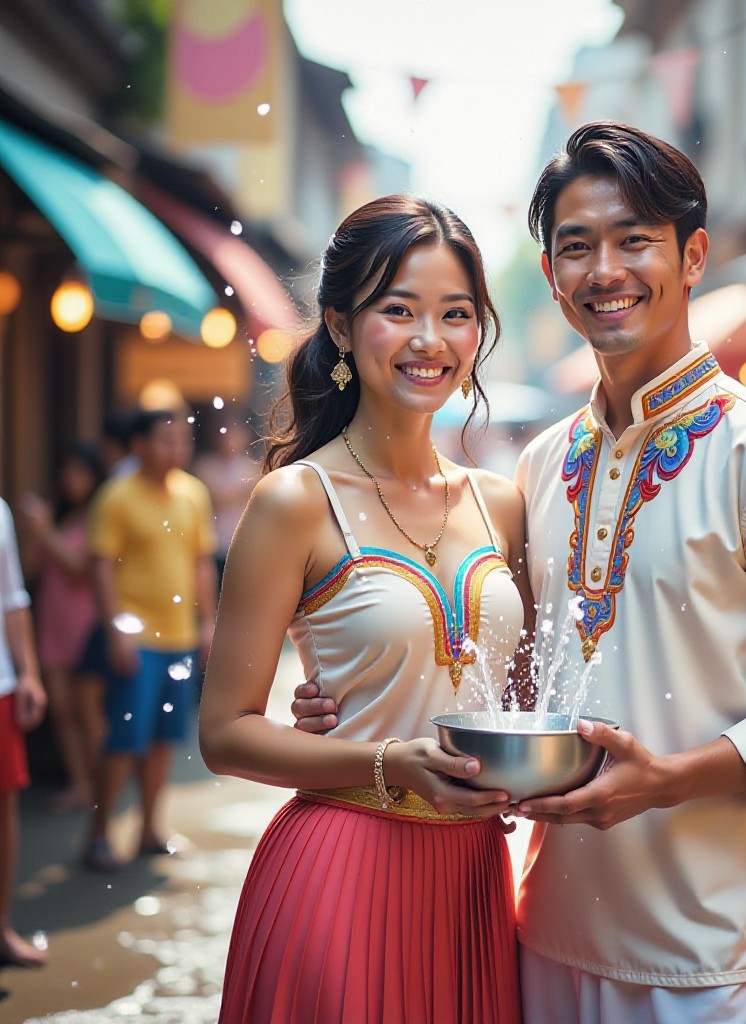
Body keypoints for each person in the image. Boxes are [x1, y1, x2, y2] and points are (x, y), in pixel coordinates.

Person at [296, 123, 746, 1023]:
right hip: (541, 928)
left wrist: (671, 777)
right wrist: (362, 698)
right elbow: (518, 673)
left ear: (693, 256)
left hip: (710, 949)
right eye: (577, 246)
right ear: (550, 277)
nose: (604, 269)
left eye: (634, 240)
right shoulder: (541, 467)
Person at [199, 195, 530, 1023]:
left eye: (456, 314)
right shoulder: (294, 502)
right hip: (344, 871)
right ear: (342, 327)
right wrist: (386, 761)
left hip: (476, 884)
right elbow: (225, 732)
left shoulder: (503, 504)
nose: (431, 340)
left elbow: (522, 700)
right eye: (399, 310)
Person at [81, 408, 217, 871]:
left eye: (183, 438)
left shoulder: (192, 493)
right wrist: (115, 628)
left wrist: (208, 623)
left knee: (164, 738)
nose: (177, 447)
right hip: (135, 640)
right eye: (166, 438)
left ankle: (150, 829)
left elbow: (202, 562)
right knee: (124, 740)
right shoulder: (116, 495)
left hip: (178, 637)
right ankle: (98, 835)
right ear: (138, 444)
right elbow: (100, 565)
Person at [18, 444, 106, 811]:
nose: (73, 481)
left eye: (80, 473)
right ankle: (80, 785)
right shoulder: (57, 517)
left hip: (86, 623)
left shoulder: (99, 517)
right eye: (68, 473)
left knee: (89, 713)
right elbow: (30, 569)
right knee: (62, 711)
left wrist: (44, 530)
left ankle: (102, 788)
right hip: (53, 622)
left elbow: (78, 567)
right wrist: (36, 532)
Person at [0, 496, 48, 967]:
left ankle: (1, 929)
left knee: (4, 805)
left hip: (1, 686)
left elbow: (12, 599)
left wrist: (29, 674)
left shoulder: (0, 511)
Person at [192, 419, 259, 590]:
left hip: (242, 542)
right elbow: (212, 496)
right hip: (215, 540)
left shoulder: (251, 468)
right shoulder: (207, 466)